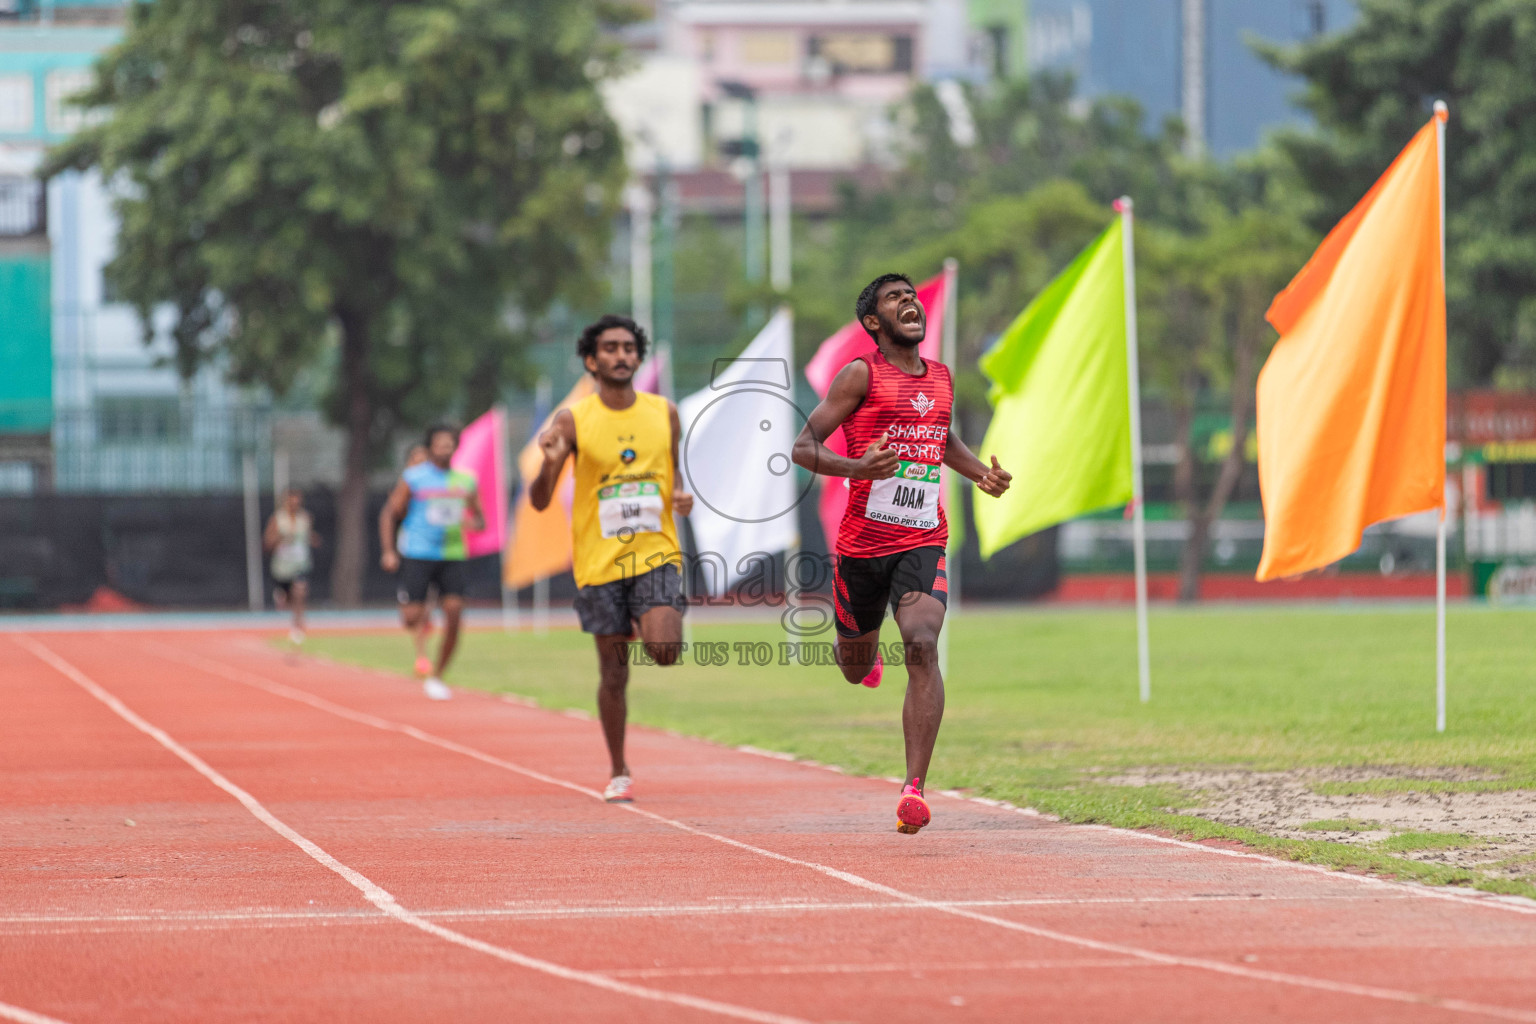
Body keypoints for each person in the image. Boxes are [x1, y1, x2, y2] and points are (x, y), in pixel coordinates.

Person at [791, 273, 1012, 835]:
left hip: (921, 537)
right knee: (853, 666)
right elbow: (803, 446)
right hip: (862, 547)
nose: (910, 302)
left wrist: (980, 474)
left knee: (922, 640)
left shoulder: (941, 377)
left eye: (911, 295)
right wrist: (855, 468)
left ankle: (914, 788)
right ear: (874, 322)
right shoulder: (860, 374)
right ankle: (866, 656)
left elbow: (941, 437)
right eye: (895, 298)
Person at [528, 314, 693, 803]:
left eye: (628, 347)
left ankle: (653, 615)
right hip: (599, 563)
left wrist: (679, 495)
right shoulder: (572, 420)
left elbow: (674, 472)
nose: (621, 355)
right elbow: (540, 500)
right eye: (611, 348)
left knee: (664, 650)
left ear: (637, 357)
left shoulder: (664, 412)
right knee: (613, 672)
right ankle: (619, 767)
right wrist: (551, 461)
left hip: (656, 552)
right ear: (591, 360)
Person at [379, 424, 485, 701]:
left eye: (449, 444)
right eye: (439, 444)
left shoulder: (466, 480)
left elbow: (480, 520)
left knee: (454, 614)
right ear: (430, 448)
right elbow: (390, 513)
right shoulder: (414, 478)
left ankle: (438, 675)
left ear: (456, 447)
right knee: (411, 618)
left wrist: (469, 521)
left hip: (452, 555)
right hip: (418, 553)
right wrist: (389, 550)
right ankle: (423, 610)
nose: (444, 449)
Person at [264, 488, 319, 645]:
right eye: (291, 501)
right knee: (289, 598)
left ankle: (298, 626)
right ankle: (281, 595)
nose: (295, 504)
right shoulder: (277, 519)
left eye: (298, 501)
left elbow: (307, 536)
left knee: (300, 591)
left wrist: (312, 539)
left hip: (300, 564)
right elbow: (267, 543)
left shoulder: (306, 518)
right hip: (282, 567)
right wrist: (279, 539)